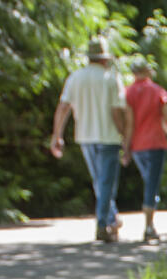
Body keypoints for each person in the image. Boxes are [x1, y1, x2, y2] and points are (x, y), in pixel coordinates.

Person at [49, 37, 129, 242]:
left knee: (99, 181)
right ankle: (103, 224)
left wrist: (56, 135)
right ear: (104, 59)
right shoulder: (111, 79)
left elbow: (63, 108)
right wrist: (125, 136)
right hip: (108, 137)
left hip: (85, 136)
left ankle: (111, 219)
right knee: (106, 183)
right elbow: (116, 112)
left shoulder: (75, 77)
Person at [123, 57, 167, 242]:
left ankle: (150, 223)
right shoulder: (157, 91)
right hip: (155, 143)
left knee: (149, 182)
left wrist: (126, 147)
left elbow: (129, 123)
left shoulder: (128, 92)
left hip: (138, 146)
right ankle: (148, 226)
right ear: (147, 71)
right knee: (151, 185)